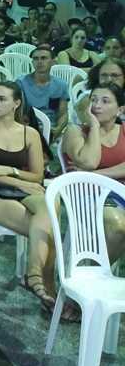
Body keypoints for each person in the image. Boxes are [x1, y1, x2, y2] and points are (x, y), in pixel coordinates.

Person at [0, 82, 76, 319]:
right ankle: (47, 290)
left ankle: (33, 275)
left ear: (16, 103)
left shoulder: (30, 133)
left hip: (19, 188)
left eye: (2, 99)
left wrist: (10, 172)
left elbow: (37, 174)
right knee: (49, 232)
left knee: (48, 210)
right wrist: (19, 182)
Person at [62, 83, 125, 267]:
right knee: (118, 226)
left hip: (119, 191)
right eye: (94, 100)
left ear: (120, 109)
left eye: (105, 101)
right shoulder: (76, 131)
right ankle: (92, 279)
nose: (97, 105)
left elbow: (91, 169)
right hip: (88, 193)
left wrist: (97, 174)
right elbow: (89, 162)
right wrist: (95, 126)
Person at [18, 45, 69, 141]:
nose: (40, 62)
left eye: (44, 58)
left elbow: (63, 113)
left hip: (51, 129)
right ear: (32, 62)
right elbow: (17, 111)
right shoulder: (21, 83)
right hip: (27, 127)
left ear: (53, 62)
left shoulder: (61, 85)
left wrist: (58, 129)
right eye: (36, 59)